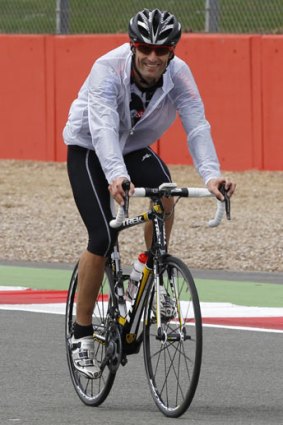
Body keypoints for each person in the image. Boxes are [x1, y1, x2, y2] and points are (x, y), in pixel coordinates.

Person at [63, 8, 236, 379]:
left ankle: (153, 270)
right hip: (90, 148)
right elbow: (105, 127)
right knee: (102, 236)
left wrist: (211, 177)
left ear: (172, 50)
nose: (153, 57)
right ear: (133, 46)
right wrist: (116, 176)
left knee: (167, 194)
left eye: (162, 50)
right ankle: (81, 334)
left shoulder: (180, 75)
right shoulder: (106, 69)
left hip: (132, 147)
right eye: (145, 48)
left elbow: (197, 125)